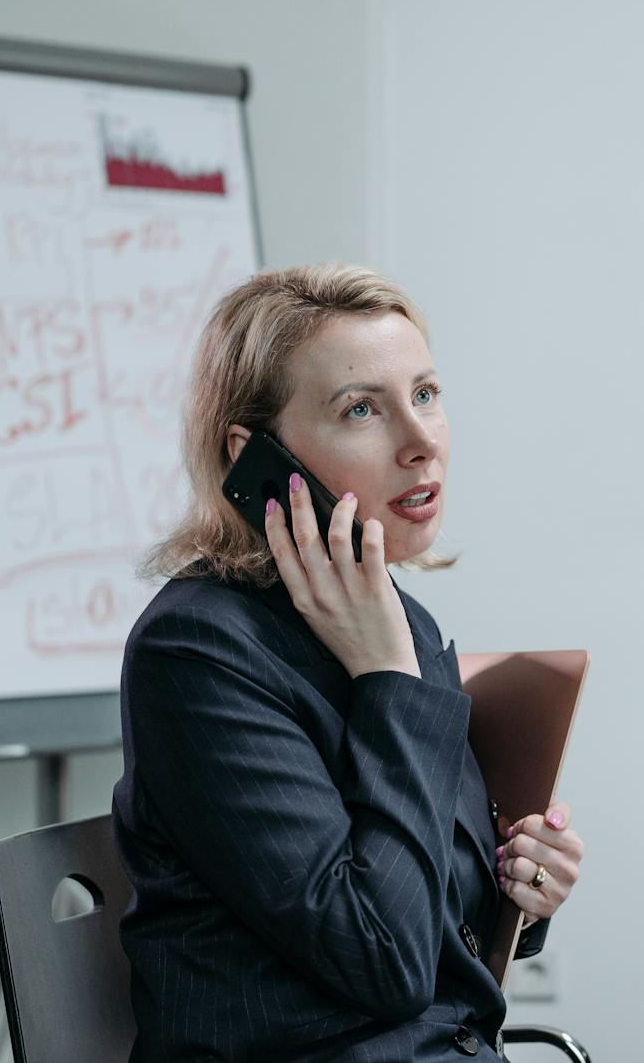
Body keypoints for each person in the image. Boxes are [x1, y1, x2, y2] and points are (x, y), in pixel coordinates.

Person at [113, 263, 584, 1061]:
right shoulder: (197, 653)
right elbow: (382, 959)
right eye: (361, 409)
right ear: (253, 457)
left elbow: (422, 907)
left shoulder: (393, 621)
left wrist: (521, 895)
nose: (420, 440)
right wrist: (391, 681)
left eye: (426, 395)